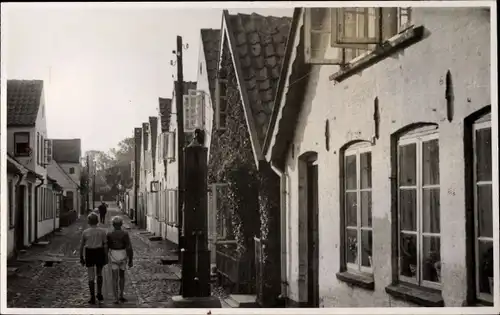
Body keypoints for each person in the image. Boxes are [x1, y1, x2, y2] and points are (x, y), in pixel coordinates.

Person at [79, 213, 108, 304]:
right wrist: (106, 256)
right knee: (99, 274)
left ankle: (92, 297)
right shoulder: (102, 231)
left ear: (89, 221)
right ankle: (99, 293)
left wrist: (81, 257)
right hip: (99, 252)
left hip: (89, 253)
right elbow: (105, 245)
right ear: (97, 221)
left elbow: (81, 246)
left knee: (90, 275)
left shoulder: (85, 232)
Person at [107, 216, 134, 304]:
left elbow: (107, 247)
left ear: (113, 224)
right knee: (122, 276)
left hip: (114, 255)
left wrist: (105, 257)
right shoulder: (125, 234)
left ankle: (115, 298)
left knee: (114, 277)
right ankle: (121, 295)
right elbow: (129, 247)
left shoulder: (110, 234)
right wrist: (130, 259)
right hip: (122, 254)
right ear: (121, 224)